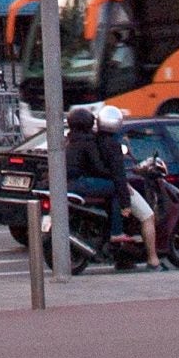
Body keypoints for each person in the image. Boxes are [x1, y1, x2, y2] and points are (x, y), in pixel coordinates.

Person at [65, 107, 132, 264]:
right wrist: (114, 175)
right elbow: (98, 167)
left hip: (69, 183)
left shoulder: (71, 139)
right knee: (115, 189)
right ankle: (116, 231)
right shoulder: (88, 141)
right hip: (80, 183)